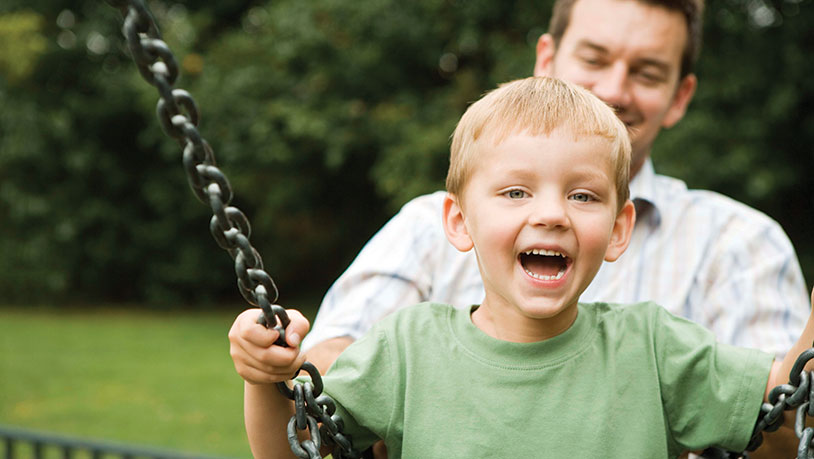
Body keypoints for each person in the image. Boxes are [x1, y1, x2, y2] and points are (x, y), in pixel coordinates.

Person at [229, 76, 814, 458]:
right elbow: (292, 446)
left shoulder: (655, 348)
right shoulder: (408, 350)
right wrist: (265, 379)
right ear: (458, 221)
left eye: (583, 196)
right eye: (515, 193)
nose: (553, 214)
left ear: (617, 229)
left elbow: (786, 411)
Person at [301, 0, 809, 373]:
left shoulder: (741, 242)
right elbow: (331, 361)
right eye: (594, 58)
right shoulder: (430, 225)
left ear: (680, 97)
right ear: (547, 59)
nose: (613, 90)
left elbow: (781, 424)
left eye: (647, 73)